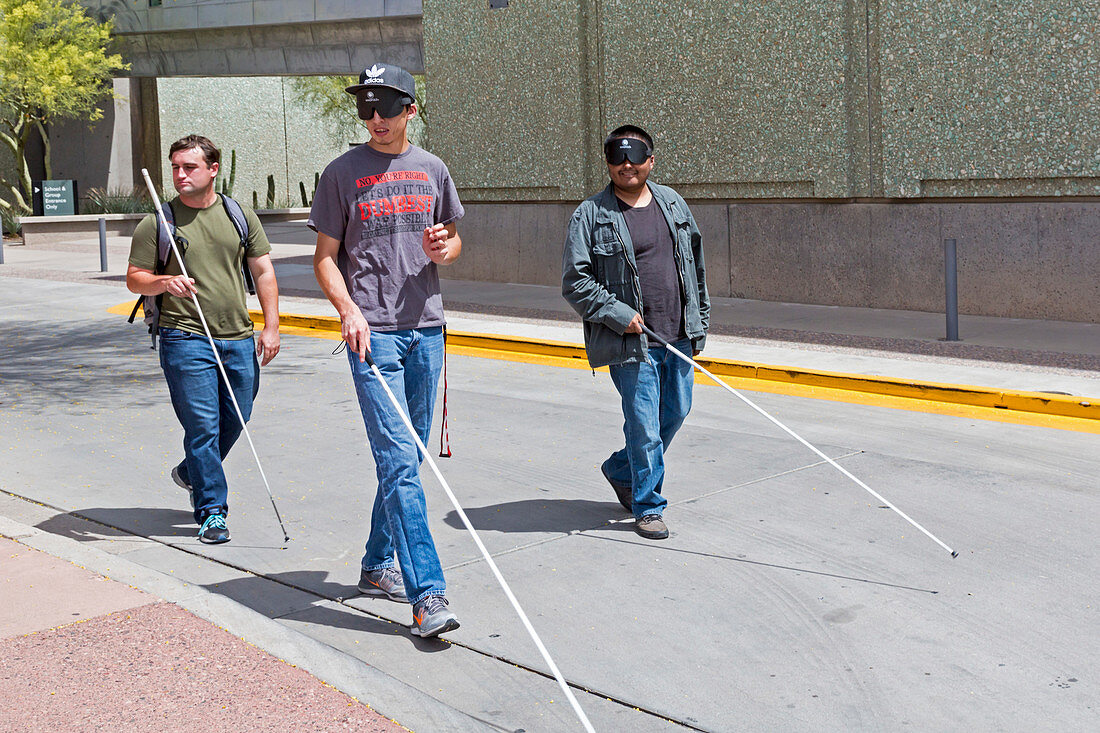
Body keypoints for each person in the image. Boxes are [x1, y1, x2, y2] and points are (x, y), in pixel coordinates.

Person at [309, 63, 465, 638]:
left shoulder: (432, 169)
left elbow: (451, 243)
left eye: (387, 108)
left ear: (410, 111)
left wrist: (444, 248)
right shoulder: (341, 173)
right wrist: (349, 311)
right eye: (365, 109)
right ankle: (427, 594)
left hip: (427, 328)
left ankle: (377, 564)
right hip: (371, 334)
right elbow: (325, 258)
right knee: (399, 460)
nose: (375, 119)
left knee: (409, 457)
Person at [126, 134, 281, 544]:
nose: (179, 175)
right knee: (202, 427)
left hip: (238, 336)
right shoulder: (157, 222)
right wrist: (165, 281)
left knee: (239, 417)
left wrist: (271, 326)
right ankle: (212, 510)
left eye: (189, 167)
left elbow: (263, 271)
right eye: (175, 167)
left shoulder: (237, 214)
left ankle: (191, 471)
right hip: (184, 337)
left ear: (213, 169)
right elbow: (134, 279)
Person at [562, 124, 710, 540]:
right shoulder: (590, 214)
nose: (626, 164)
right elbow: (575, 281)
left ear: (651, 160)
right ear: (607, 162)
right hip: (631, 342)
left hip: (676, 333)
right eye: (617, 156)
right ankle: (648, 505)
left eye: (635, 155)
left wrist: (701, 320)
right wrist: (616, 312)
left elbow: (695, 266)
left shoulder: (673, 204)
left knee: (675, 413)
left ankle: (621, 468)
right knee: (644, 424)